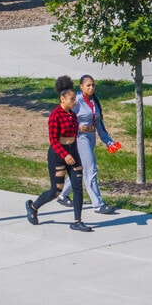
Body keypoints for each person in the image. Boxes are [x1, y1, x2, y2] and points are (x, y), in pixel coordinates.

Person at [25, 75, 92, 232]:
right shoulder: (55, 115)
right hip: (58, 154)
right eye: (71, 99)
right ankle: (33, 207)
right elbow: (53, 140)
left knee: (78, 186)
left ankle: (77, 221)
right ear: (62, 99)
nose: (75, 101)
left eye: (75, 98)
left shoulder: (73, 115)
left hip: (72, 152)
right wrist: (65, 155)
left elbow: (73, 133)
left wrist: (82, 131)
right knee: (56, 190)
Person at [57, 74, 118, 215]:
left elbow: (99, 125)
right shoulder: (76, 101)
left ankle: (62, 195)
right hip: (80, 139)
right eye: (88, 85)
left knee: (81, 170)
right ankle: (98, 204)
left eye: (93, 85)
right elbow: (65, 118)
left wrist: (110, 143)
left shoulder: (94, 101)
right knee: (91, 170)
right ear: (81, 87)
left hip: (90, 138)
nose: (91, 88)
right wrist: (78, 127)